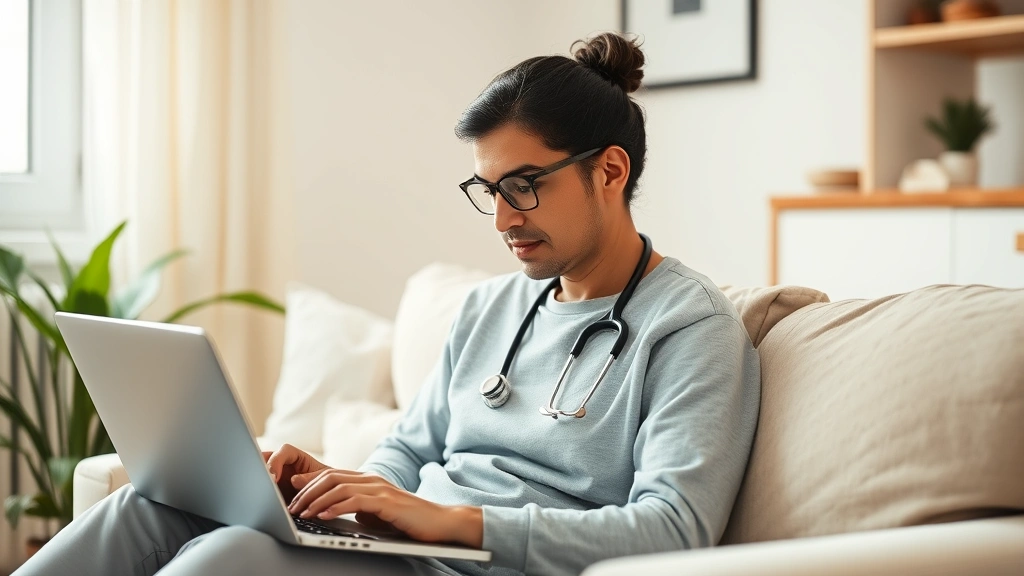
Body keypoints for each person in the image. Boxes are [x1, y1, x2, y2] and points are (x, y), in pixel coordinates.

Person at [15, 32, 759, 576]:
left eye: (524, 186)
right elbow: (408, 450)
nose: (502, 220)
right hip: (406, 554)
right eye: (488, 191)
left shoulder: (690, 328)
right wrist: (345, 489)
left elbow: (675, 529)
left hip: (482, 566)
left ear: (610, 171)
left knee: (226, 559)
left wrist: (454, 523)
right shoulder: (491, 307)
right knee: (147, 504)